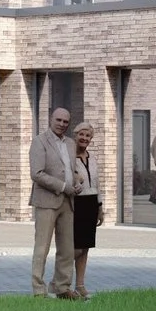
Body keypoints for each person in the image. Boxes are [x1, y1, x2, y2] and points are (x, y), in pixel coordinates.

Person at [29, 106, 80, 297]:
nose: (62, 124)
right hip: (46, 201)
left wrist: (76, 182)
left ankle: (62, 287)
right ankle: (38, 290)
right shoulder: (39, 141)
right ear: (51, 119)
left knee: (67, 249)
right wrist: (63, 186)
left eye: (65, 121)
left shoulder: (70, 144)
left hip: (68, 201)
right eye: (58, 120)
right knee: (42, 247)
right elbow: (37, 173)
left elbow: (70, 170)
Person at [67, 119, 105, 299]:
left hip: (91, 204)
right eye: (81, 134)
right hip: (76, 204)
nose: (84, 138)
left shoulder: (92, 158)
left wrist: (100, 207)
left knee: (86, 247)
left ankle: (80, 285)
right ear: (75, 136)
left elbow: (97, 184)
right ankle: (63, 282)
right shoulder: (68, 158)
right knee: (76, 247)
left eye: (88, 135)